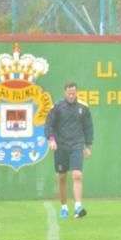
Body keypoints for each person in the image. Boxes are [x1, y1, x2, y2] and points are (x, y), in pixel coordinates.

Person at [44, 81, 93, 219]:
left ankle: (78, 206)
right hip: (61, 146)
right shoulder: (57, 107)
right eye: (69, 93)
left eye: (74, 93)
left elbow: (88, 127)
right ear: (65, 92)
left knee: (77, 175)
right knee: (62, 177)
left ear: (76, 92)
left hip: (77, 144)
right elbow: (49, 125)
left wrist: (88, 146)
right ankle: (64, 207)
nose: (72, 95)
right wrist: (51, 140)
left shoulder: (83, 108)